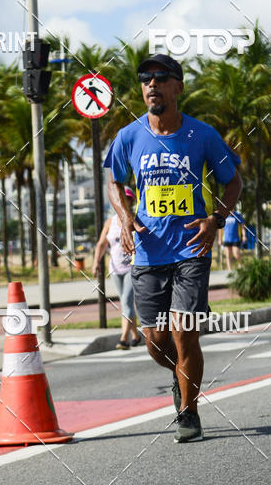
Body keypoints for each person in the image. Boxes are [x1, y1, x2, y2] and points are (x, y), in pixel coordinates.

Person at [104, 54, 243, 443]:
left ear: (178, 87)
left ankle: (189, 412)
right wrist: (125, 215)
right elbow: (114, 181)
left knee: (185, 334)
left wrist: (215, 220)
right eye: (145, 79)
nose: (151, 84)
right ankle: (179, 379)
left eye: (161, 78)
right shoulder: (129, 136)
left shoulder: (202, 135)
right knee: (156, 342)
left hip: (191, 249)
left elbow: (233, 181)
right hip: (148, 253)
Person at [92, 187, 141, 349]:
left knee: (126, 302)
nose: (123, 201)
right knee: (125, 303)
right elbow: (101, 244)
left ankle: (124, 339)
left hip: (131, 268)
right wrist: (95, 262)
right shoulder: (110, 221)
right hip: (114, 268)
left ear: (130, 201)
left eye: (126, 199)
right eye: (120, 198)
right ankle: (135, 334)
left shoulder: (135, 219)